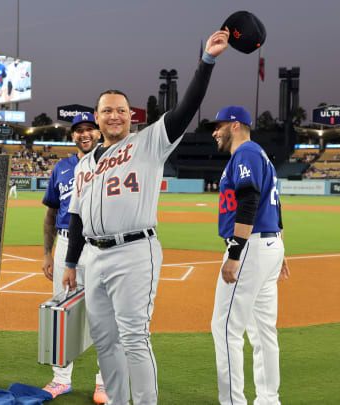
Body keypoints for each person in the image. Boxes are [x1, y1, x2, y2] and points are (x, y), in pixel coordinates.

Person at [62, 28, 230, 404]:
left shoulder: (149, 141)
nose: (115, 115)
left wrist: (207, 61)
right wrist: (72, 261)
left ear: (130, 115)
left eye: (122, 109)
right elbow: (75, 217)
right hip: (93, 256)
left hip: (134, 251)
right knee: (105, 342)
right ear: (97, 118)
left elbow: (187, 106)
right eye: (107, 110)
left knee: (134, 337)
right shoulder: (84, 164)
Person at [207, 106, 290, 405]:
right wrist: (279, 248)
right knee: (263, 331)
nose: (214, 132)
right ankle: (269, 400)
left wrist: (235, 252)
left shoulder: (246, 153)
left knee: (225, 327)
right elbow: (274, 204)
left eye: (218, 126)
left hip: (250, 248)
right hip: (267, 246)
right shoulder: (259, 154)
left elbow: (250, 199)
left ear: (236, 125)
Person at [40, 113, 106, 403]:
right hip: (66, 244)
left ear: (99, 132)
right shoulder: (62, 168)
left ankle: (104, 381)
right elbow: (51, 213)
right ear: (72, 136)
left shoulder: (111, 163)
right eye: (78, 130)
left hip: (99, 246)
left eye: (89, 128)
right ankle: (61, 379)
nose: (84, 134)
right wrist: (46, 252)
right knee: (61, 314)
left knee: (104, 315)